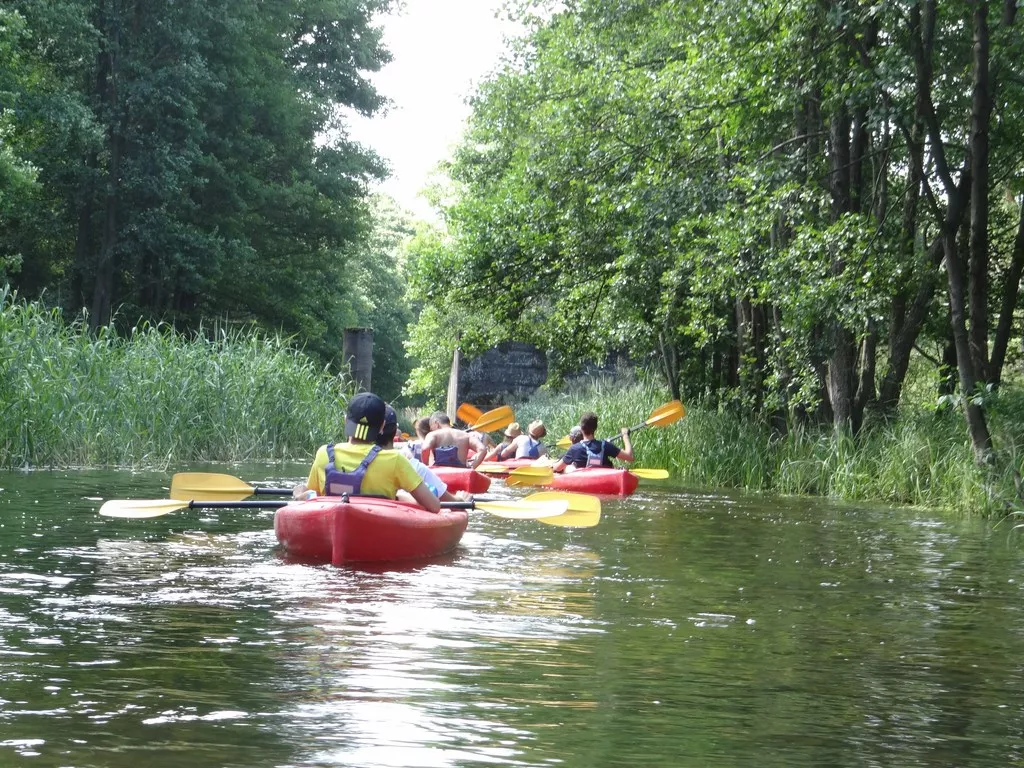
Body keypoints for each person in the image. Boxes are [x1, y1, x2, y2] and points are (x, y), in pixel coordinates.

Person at [292, 392, 441, 512]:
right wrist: (401, 496)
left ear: (345, 421)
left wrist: (299, 493)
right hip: (379, 527)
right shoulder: (395, 459)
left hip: (332, 514)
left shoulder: (324, 453)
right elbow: (434, 506)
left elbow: (313, 496)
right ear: (382, 426)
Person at [377, 405, 472, 503]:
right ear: (395, 431)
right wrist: (461, 499)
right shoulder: (412, 465)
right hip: (434, 481)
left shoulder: (363, 458)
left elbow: (425, 449)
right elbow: (436, 505)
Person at [553, 411, 633, 473]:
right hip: (606, 478)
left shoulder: (574, 449)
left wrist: (552, 465)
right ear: (595, 428)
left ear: (581, 428)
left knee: (568, 467)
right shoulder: (606, 445)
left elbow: (557, 468)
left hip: (585, 481)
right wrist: (625, 435)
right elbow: (629, 457)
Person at [421, 411, 486, 469]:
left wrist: (426, 466)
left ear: (436, 423)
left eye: (431, 427)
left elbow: (425, 449)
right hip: (461, 475)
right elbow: (482, 449)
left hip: (439, 477)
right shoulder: (466, 435)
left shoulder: (432, 435)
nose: (431, 430)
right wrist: (471, 467)